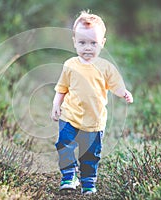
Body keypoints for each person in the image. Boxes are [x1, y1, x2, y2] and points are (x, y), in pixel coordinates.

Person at [51, 11, 133, 195]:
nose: (87, 48)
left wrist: (124, 93)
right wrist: (56, 105)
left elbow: (116, 86)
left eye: (93, 43)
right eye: (82, 43)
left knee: (90, 154)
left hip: (94, 121)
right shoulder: (70, 65)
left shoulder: (105, 67)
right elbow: (61, 88)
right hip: (69, 116)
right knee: (64, 144)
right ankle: (69, 175)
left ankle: (88, 181)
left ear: (102, 43)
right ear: (74, 42)